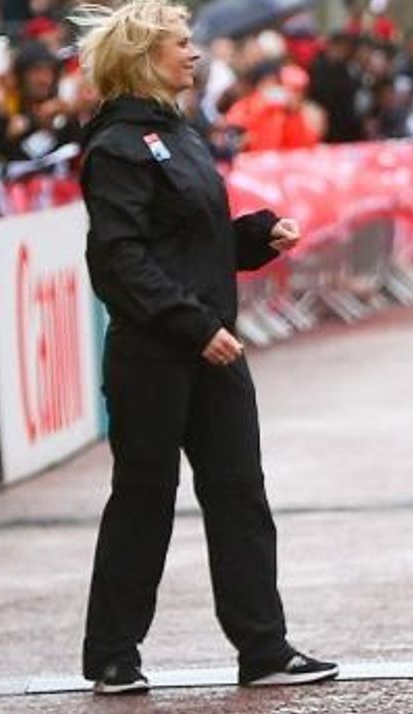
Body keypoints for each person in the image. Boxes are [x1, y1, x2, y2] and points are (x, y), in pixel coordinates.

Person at [71, 0, 339, 695]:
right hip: (158, 354)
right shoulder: (117, 146)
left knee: (239, 495)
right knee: (144, 499)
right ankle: (112, 655)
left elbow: (191, 241)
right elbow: (120, 260)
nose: (194, 53)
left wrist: (253, 235)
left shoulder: (179, 132)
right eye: (180, 44)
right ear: (141, 58)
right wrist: (193, 326)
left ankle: (264, 649)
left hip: (213, 347)